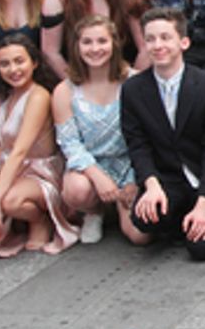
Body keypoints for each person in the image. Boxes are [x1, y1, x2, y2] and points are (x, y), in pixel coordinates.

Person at [121, 7, 205, 260]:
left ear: (183, 42)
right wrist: (151, 185)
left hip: (204, 180)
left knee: (203, 248)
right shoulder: (133, 89)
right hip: (168, 180)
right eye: (150, 39)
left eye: (165, 37)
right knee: (144, 220)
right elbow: (137, 144)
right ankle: (176, 220)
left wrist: (204, 205)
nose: (157, 45)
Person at [0, 35, 76, 256]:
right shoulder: (8, 95)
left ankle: (41, 219)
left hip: (40, 172)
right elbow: (5, 143)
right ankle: (14, 224)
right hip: (12, 169)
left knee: (8, 201)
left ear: (34, 63)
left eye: (20, 61)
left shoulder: (39, 96)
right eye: (5, 64)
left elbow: (19, 150)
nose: (13, 69)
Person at [55, 15, 145, 245]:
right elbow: (70, 143)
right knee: (76, 190)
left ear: (114, 43)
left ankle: (120, 205)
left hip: (128, 164)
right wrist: (98, 177)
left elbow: (147, 136)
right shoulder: (65, 90)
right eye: (87, 42)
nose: (95, 49)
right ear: (76, 46)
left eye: (102, 41)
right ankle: (94, 211)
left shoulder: (133, 81)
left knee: (140, 236)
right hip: (90, 166)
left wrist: (136, 179)